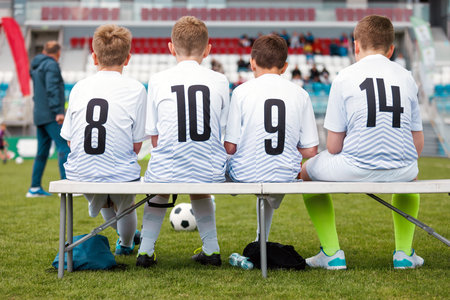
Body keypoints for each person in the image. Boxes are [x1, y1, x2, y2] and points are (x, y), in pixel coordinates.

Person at [300, 15, 424, 270]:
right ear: (391, 49)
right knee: (410, 176)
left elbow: (333, 147)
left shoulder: (345, 77)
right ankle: (403, 254)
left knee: (306, 172)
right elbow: (417, 145)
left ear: (355, 45)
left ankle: (332, 253)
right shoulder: (407, 77)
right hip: (402, 169)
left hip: (354, 166)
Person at [137, 16, 229, 268]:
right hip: (209, 169)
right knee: (201, 188)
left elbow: (154, 137)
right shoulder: (220, 80)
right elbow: (222, 131)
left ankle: (145, 252)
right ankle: (212, 251)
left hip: (167, 167)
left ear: (170, 48)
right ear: (208, 49)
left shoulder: (157, 80)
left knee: (158, 188)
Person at [60, 25, 146, 255]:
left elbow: (69, 140)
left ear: (94, 57)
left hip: (80, 172)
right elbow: (137, 145)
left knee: (106, 197)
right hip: (119, 172)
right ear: (128, 59)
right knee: (125, 204)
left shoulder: (79, 87)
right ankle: (126, 245)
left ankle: (122, 232)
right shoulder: (136, 89)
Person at [225, 34, 318, 243]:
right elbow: (311, 151)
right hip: (286, 174)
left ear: (252, 62)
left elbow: (229, 147)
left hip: (245, 173)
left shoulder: (241, 92)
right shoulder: (300, 94)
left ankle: (209, 243)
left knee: (216, 164)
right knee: (274, 166)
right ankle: (261, 239)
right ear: (285, 67)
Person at [27, 41, 70, 197]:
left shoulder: (36, 66)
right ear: (57, 53)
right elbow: (52, 89)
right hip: (52, 114)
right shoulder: (51, 65)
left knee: (42, 152)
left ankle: (34, 188)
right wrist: (58, 111)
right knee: (64, 146)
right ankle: (66, 185)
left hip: (39, 114)